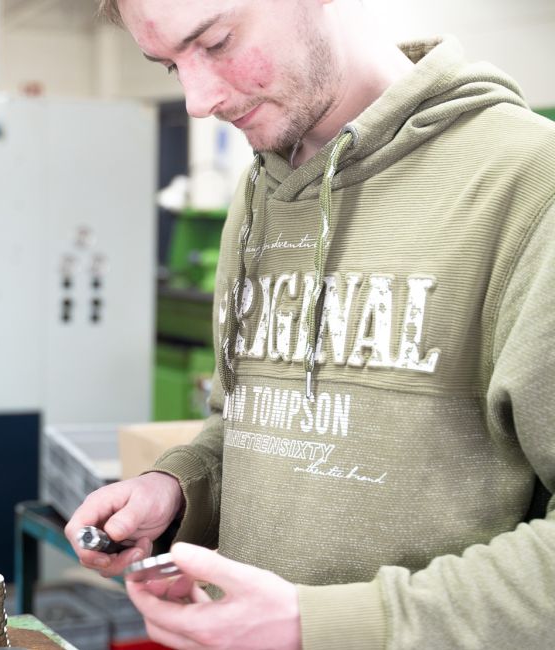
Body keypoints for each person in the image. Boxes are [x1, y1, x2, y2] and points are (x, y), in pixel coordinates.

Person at [65, 1, 555, 648]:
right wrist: (181, 486)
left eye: (217, 41)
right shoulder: (261, 192)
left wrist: (323, 624)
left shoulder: (531, 183)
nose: (198, 100)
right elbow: (252, 422)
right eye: (170, 66)